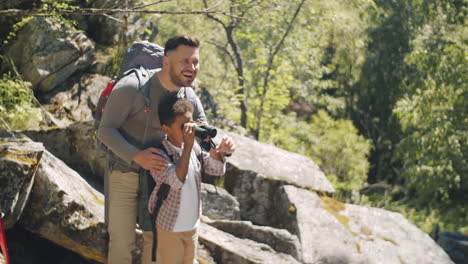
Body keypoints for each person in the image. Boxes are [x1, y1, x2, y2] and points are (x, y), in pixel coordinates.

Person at [97, 35, 236, 264]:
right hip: (125, 173)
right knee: (122, 245)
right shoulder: (133, 88)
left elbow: (204, 136)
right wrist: (137, 156)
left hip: (164, 181)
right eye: (184, 62)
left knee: (156, 247)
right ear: (165, 62)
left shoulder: (188, 95)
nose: (192, 68)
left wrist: (220, 149)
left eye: (195, 62)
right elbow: (105, 130)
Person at [148, 93, 232, 264]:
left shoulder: (194, 148)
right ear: (166, 129)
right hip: (170, 228)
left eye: (191, 124)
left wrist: (220, 152)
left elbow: (215, 170)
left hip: (192, 225)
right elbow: (177, 180)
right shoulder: (158, 155)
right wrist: (187, 146)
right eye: (183, 127)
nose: (190, 131)